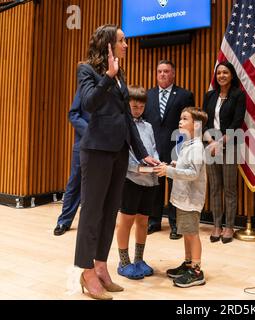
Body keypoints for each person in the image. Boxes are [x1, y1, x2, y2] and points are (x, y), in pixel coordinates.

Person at [74, 24, 159, 300]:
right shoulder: (86, 70)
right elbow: (89, 103)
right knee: (92, 213)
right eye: (122, 40)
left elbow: (126, 119)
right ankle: (86, 270)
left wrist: (142, 151)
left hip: (120, 152)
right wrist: (108, 76)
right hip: (97, 151)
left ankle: (100, 266)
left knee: (110, 212)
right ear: (108, 44)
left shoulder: (120, 75)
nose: (127, 44)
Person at [154, 107, 208, 287]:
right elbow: (187, 167)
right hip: (182, 198)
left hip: (190, 200)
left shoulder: (198, 147)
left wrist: (170, 170)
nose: (180, 122)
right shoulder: (188, 144)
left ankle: (197, 271)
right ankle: (188, 263)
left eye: (185, 119)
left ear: (196, 125)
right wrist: (176, 164)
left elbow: (193, 173)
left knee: (192, 233)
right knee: (185, 232)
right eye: (180, 118)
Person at [143, 60, 194, 240]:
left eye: (166, 71)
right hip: (154, 149)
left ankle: (175, 224)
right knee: (155, 187)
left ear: (173, 74)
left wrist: (182, 149)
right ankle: (154, 221)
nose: (163, 74)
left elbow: (187, 126)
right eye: (159, 71)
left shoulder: (184, 95)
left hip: (176, 149)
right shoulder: (147, 95)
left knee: (176, 188)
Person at [116, 85, 159, 280]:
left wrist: (157, 163)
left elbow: (153, 149)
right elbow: (123, 154)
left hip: (149, 181)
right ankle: (124, 261)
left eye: (141, 107)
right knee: (126, 221)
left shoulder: (148, 126)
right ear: (127, 105)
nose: (138, 110)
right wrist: (137, 168)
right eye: (134, 106)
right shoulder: (122, 125)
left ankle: (139, 259)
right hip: (130, 179)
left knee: (143, 221)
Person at [202, 61, 246, 244]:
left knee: (229, 189)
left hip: (230, 146)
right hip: (211, 146)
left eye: (225, 72)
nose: (221, 75)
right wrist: (211, 142)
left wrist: (221, 143)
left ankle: (229, 226)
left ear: (231, 75)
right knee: (214, 189)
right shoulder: (209, 95)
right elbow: (204, 121)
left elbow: (237, 122)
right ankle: (217, 225)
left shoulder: (238, 95)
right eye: (219, 73)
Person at [54, 89, 90, 236]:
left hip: (104, 143)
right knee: (75, 182)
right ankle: (64, 221)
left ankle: (90, 224)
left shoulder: (109, 88)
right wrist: (90, 131)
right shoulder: (83, 90)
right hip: (83, 141)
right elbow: (73, 114)